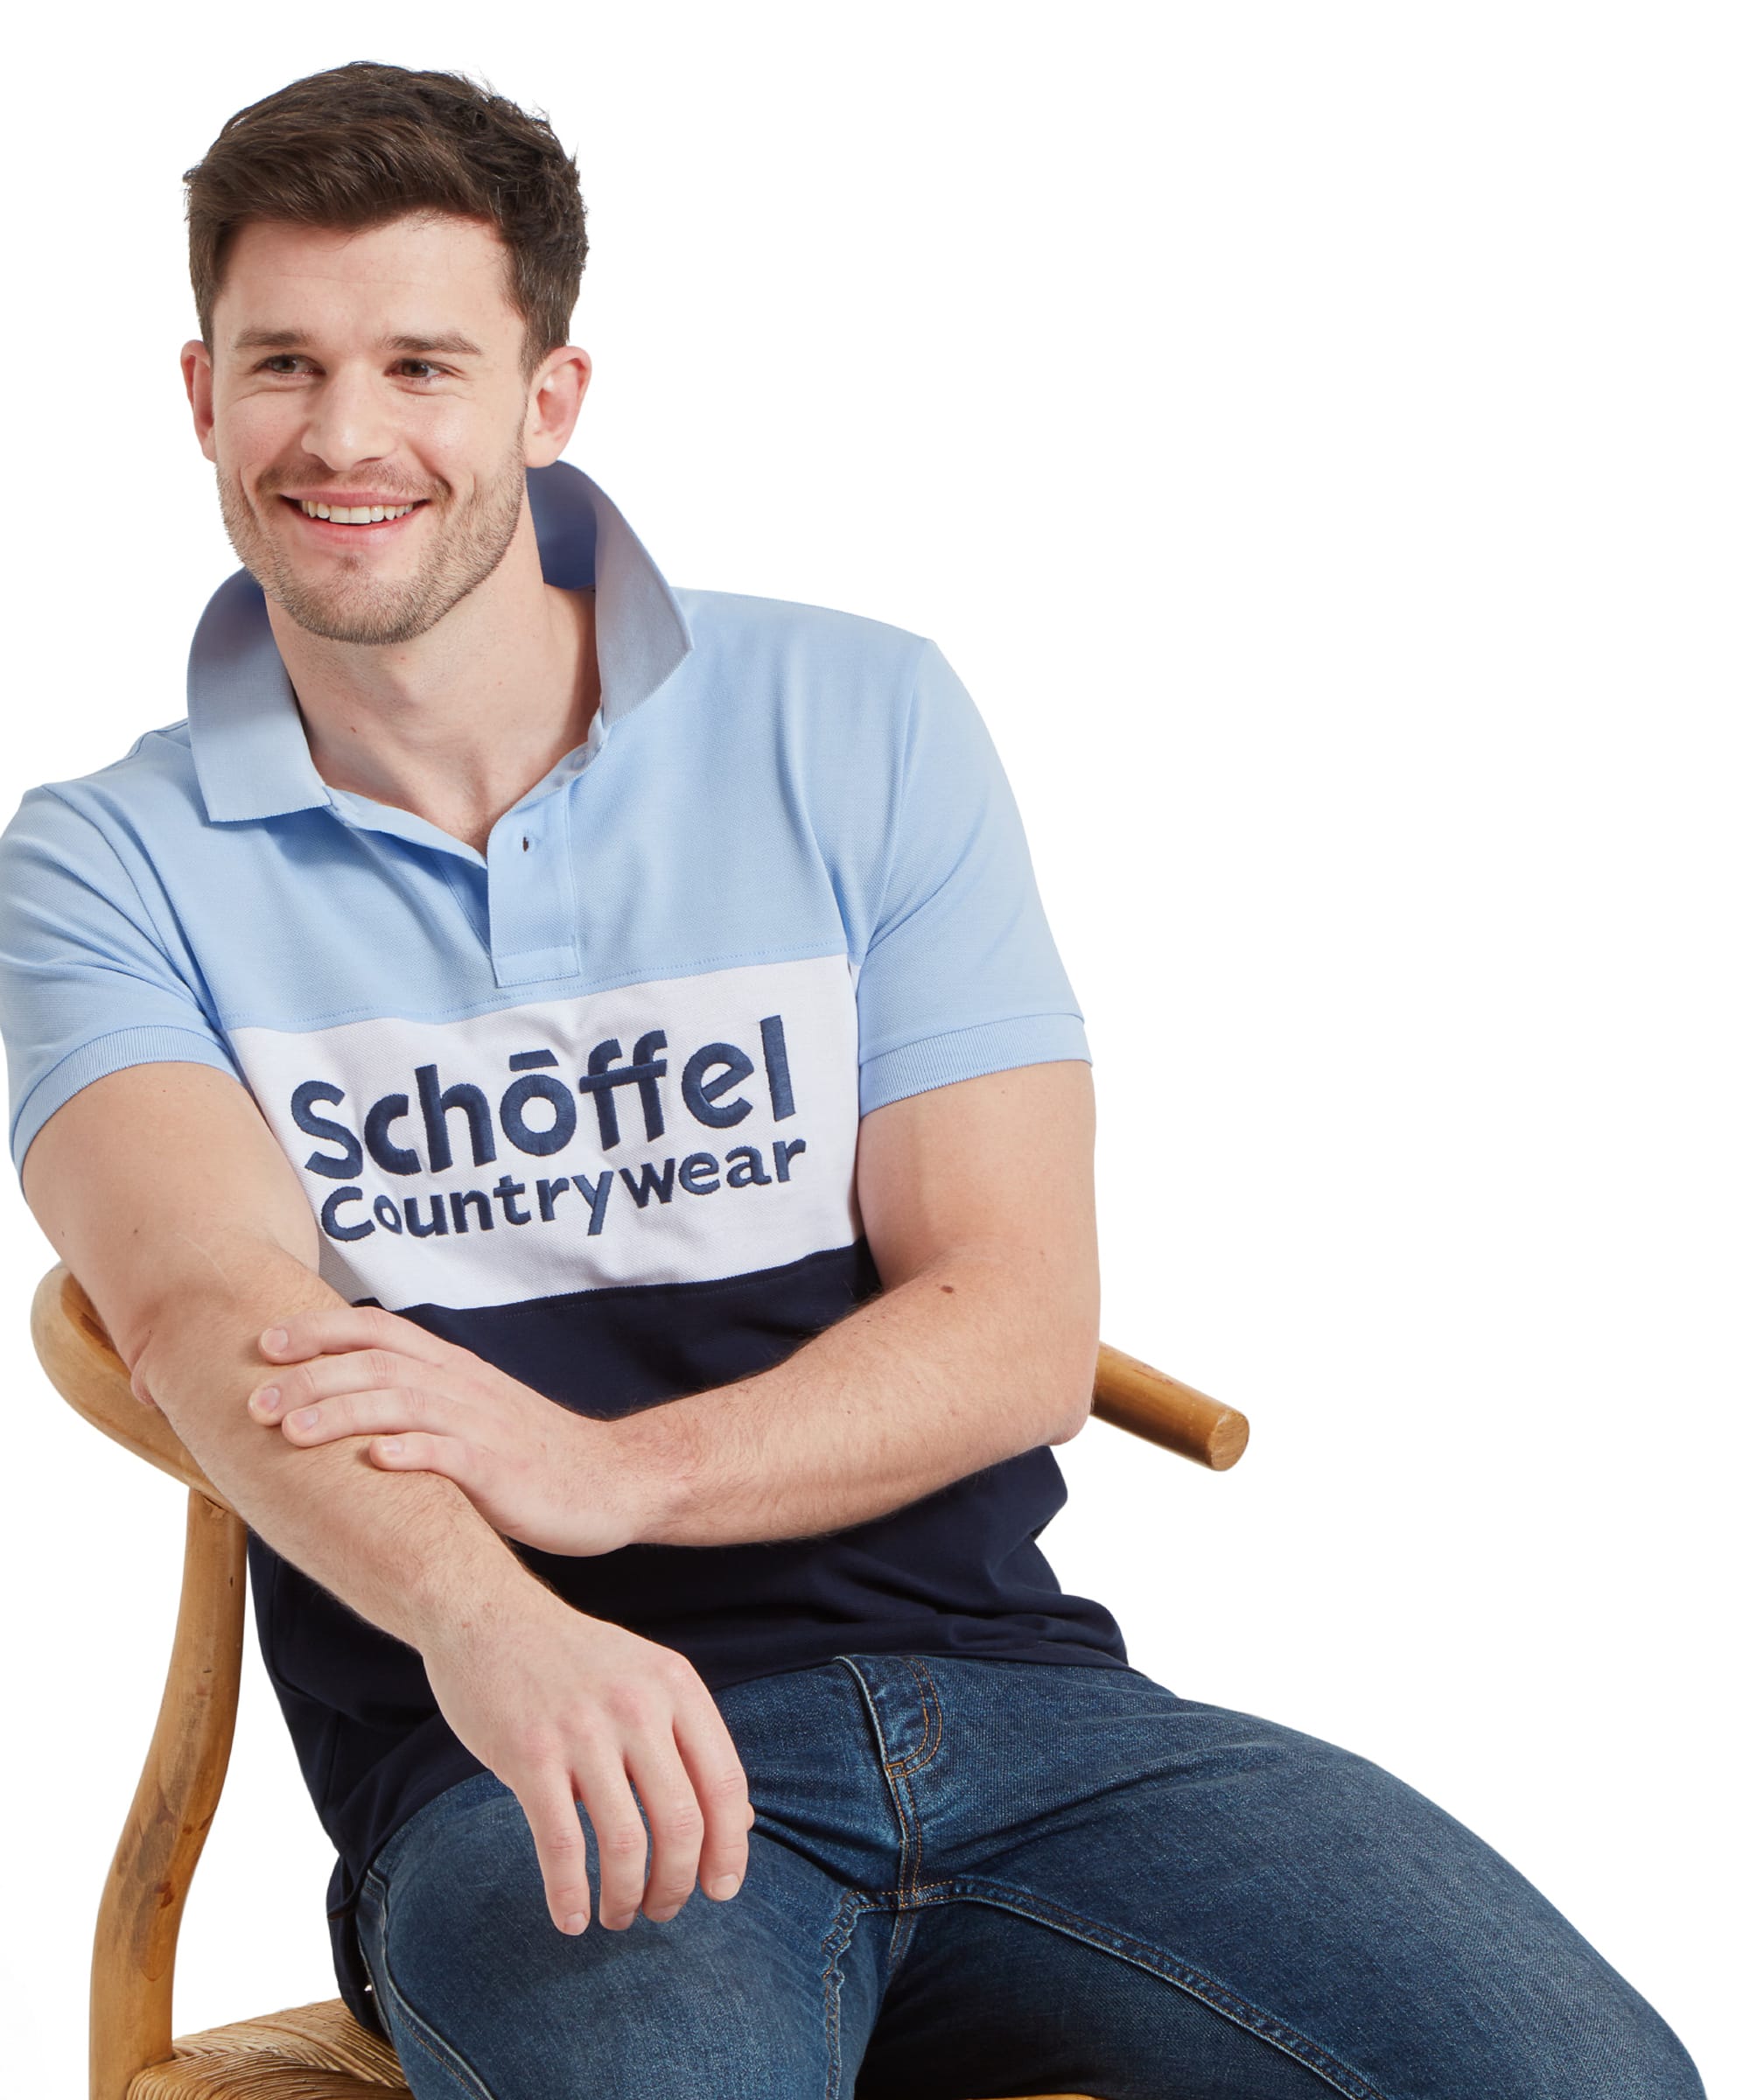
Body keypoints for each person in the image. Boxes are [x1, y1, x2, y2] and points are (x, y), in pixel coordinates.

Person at [0, 60, 1704, 2100]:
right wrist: (494, 1615)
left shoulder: (857, 715)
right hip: (530, 1769)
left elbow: (1011, 1324)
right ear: (200, 397)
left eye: (422, 365)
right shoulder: (104, 861)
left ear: (549, 402)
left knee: (1587, 2080)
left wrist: (616, 1478)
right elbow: (214, 1320)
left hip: (1025, 1718)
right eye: (285, 364)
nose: (347, 436)